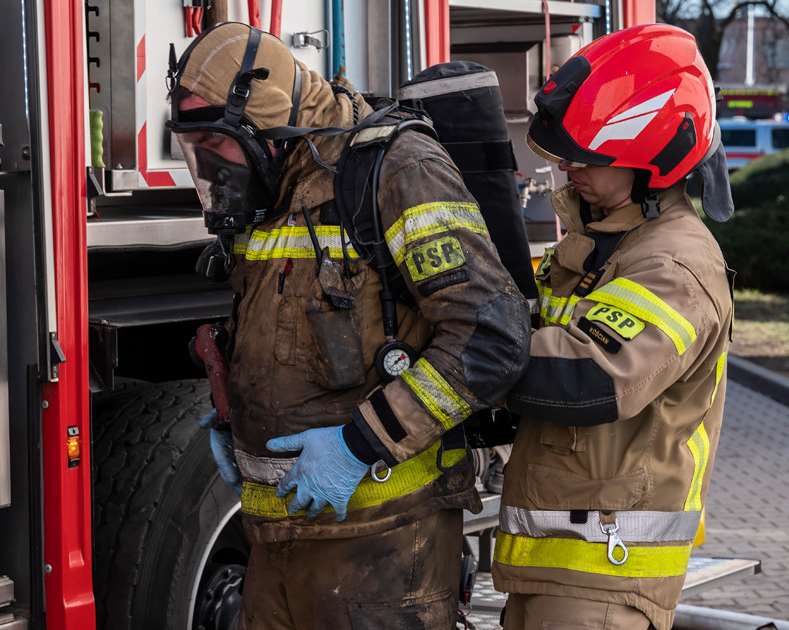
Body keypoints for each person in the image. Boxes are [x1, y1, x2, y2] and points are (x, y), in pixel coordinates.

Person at [167, 23, 531, 629]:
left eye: (214, 142)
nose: (205, 164)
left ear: (265, 123)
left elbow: (490, 336)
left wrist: (358, 445)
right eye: (192, 145)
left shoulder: (396, 169)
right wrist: (240, 410)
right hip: (275, 542)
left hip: (385, 548)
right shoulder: (270, 187)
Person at [492, 24, 736, 630]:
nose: (569, 165)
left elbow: (589, 377)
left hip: (604, 580)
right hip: (560, 572)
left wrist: (462, 353)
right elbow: (537, 329)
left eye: (592, 157)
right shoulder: (603, 244)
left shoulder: (673, 264)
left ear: (656, 161)